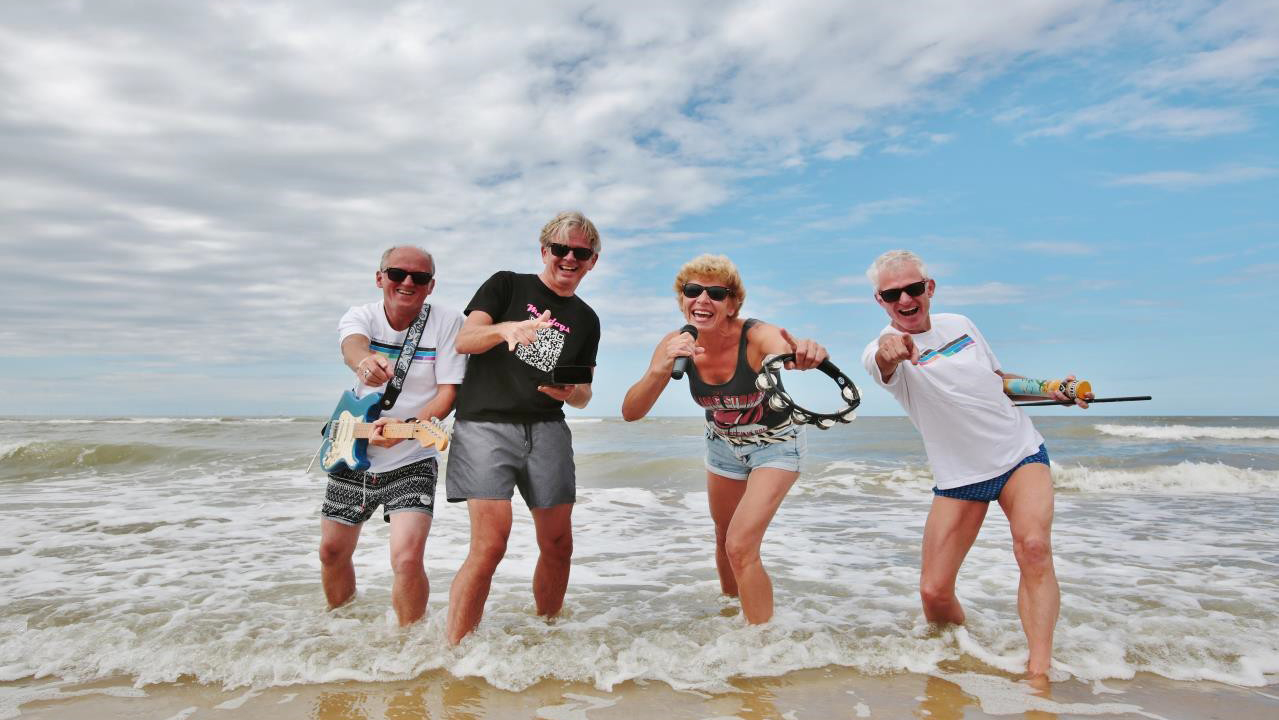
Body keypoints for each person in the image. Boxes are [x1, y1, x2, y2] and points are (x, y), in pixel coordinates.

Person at [859, 249, 1091, 677]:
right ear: (880, 300)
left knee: (1034, 548)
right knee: (933, 592)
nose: (904, 300)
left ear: (930, 288)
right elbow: (884, 361)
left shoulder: (961, 325)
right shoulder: (880, 351)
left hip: (1019, 452)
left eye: (913, 289)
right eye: (893, 294)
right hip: (961, 477)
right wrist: (891, 349)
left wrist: (1051, 388)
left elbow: (999, 382)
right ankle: (958, 655)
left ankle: (1038, 673)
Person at [621, 254, 827, 624]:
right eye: (693, 290)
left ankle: (761, 644)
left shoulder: (755, 334)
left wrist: (804, 354)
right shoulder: (675, 343)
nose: (703, 299)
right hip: (723, 445)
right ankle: (733, 613)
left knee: (740, 543)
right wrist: (658, 370)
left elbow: (788, 349)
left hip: (776, 443)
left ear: (732, 304)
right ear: (682, 299)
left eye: (716, 293)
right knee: (723, 536)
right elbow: (631, 412)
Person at [444, 211, 602, 645]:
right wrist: (506, 328)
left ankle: (546, 636)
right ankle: (454, 652)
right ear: (544, 251)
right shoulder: (507, 284)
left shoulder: (587, 319)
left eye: (581, 252)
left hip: (548, 427)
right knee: (490, 545)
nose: (569, 258)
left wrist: (569, 393)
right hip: (484, 425)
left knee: (558, 545)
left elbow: (585, 391)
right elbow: (464, 340)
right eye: (561, 249)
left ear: (592, 261)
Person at [318, 245, 466, 625]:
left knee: (406, 558)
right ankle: (341, 626)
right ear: (380, 277)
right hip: (352, 449)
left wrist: (406, 432)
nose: (407, 283)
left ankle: (408, 644)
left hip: (412, 456)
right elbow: (352, 346)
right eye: (398, 273)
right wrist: (365, 362)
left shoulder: (448, 322)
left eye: (419, 277)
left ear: (431, 286)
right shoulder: (361, 315)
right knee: (332, 552)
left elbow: (448, 393)